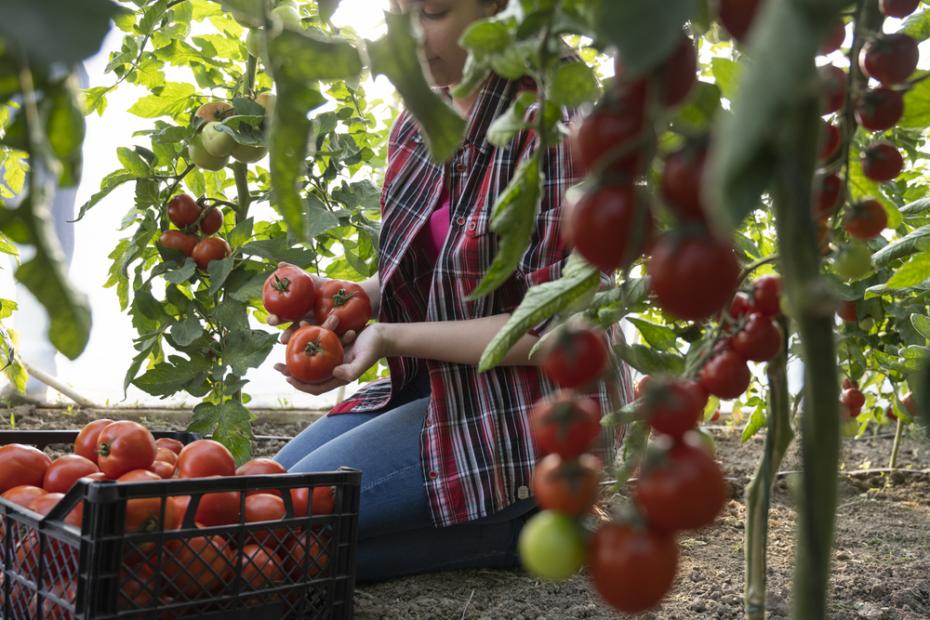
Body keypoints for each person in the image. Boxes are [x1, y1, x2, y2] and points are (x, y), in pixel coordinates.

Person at [271, 0, 632, 582]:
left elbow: (555, 330)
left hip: (530, 416)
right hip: (440, 394)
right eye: (396, 11)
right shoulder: (422, 113)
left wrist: (389, 337)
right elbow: (422, 271)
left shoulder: (555, 126)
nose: (411, 34)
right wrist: (341, 305)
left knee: (289, 540)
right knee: (254, 494)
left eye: (434, 10)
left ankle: (520, 522)